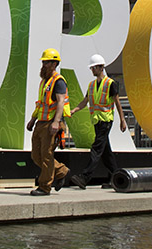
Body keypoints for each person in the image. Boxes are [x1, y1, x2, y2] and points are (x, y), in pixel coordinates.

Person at [68, 54, 128, 189]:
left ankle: (84, 177)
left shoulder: (110, 84)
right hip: (97, 122)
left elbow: (117, 103)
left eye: (93, 68)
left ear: (101, 67)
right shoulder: (91, 85)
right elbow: (85, 102)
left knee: (96, 149)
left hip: (106, 121)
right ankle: (116, 177)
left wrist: (122, 120)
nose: (92, 70)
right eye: (91, 68)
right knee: (106, 152)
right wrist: (74, 110)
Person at [26, 47, 70, 196]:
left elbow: (60, 103)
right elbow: (41, 104)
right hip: (41, 122)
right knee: (36, 155)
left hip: (51, 123)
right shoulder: (45, 82)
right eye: (43, 62)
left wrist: (56, 123)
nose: (43, 65)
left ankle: (44, 187)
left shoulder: (58, 81)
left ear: (54, 64)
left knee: (46, 155)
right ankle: (61, 171)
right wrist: (33, 119)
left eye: (46, 62)